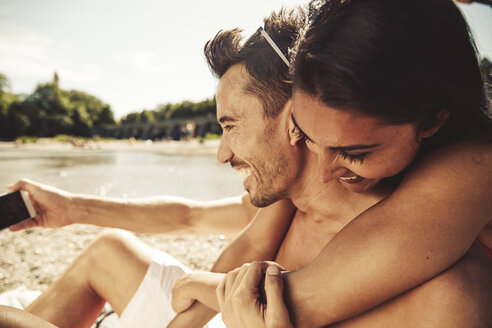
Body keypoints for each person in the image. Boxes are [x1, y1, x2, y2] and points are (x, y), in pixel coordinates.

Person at [3, 4, 491, 328]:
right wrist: (69, 206)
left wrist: (200, 286)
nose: (327, 164)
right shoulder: (285, 200)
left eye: (231, 125)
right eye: (315, 136)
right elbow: (190, 217)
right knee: (108, 248)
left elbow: (289, 299)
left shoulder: (451, 222)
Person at [214, 0, 492, 327]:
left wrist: (192, 285)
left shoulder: (473, 169)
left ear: (431, 122)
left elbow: (299, 299)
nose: (324, 173)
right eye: (309, 135)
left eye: (354, 153)